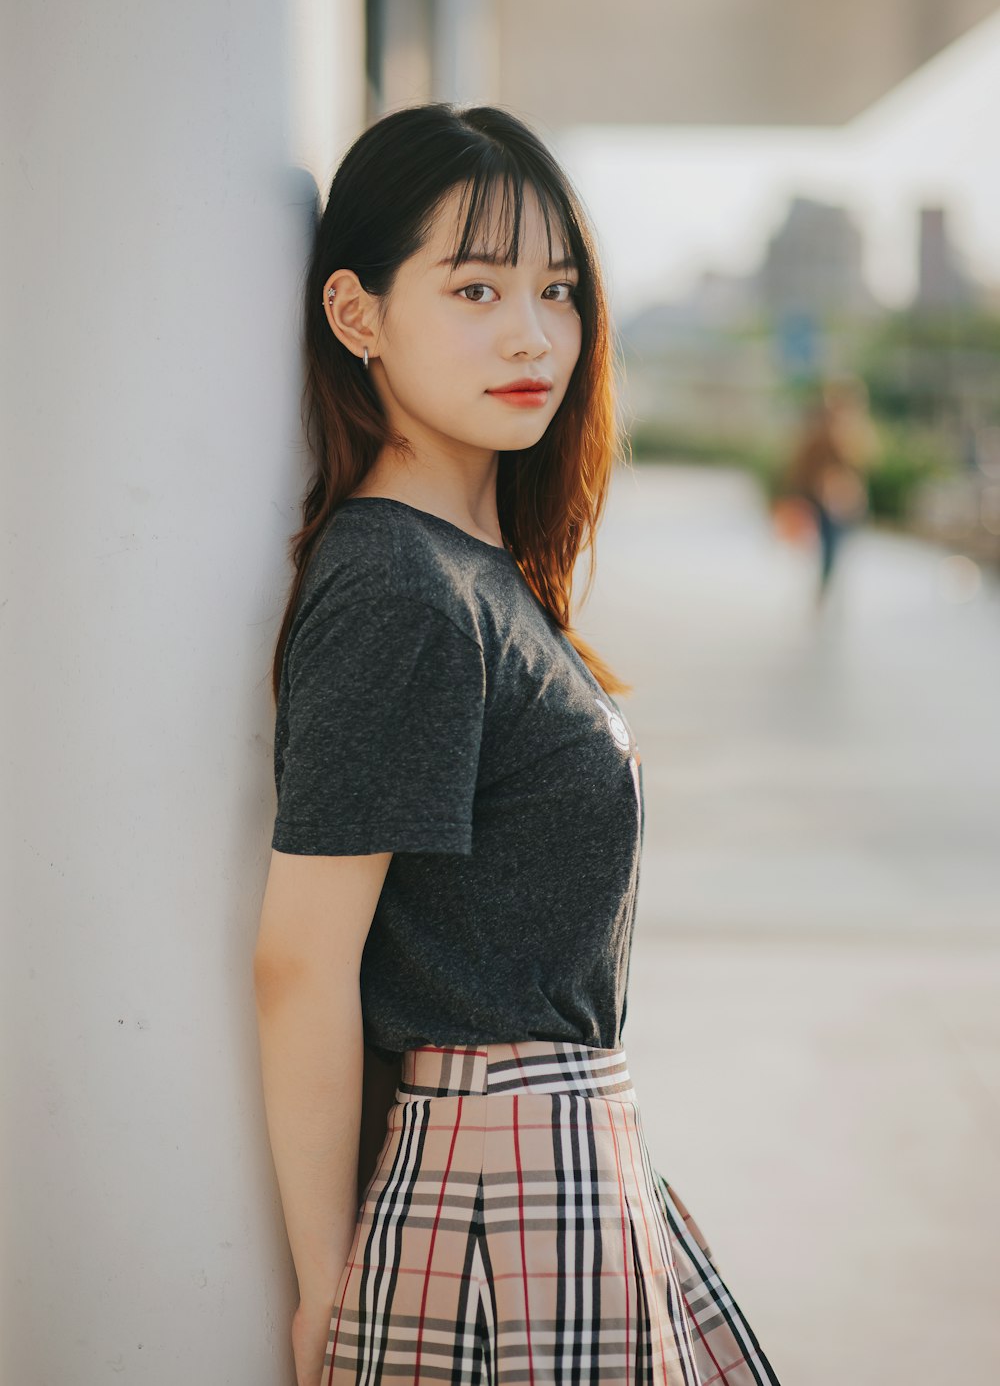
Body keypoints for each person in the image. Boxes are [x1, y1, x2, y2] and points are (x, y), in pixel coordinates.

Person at [254, 102, 782, 1386]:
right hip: (495, 1188)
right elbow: (299, 964)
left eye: (556, 288)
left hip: (567, 1160)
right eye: (475, 287)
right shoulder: (401, 590)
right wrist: (325, 1284)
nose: (533, 333)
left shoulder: (481, 576)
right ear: (357, 316)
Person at [782, 374, 881, 607]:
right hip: (823, 502)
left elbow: (865, 463)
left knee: (836, 550)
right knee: (829, 550)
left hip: (844, 502)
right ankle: (824, 592)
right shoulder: (819, 434)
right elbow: (802, 467)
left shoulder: (855, 433)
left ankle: (827, 591)